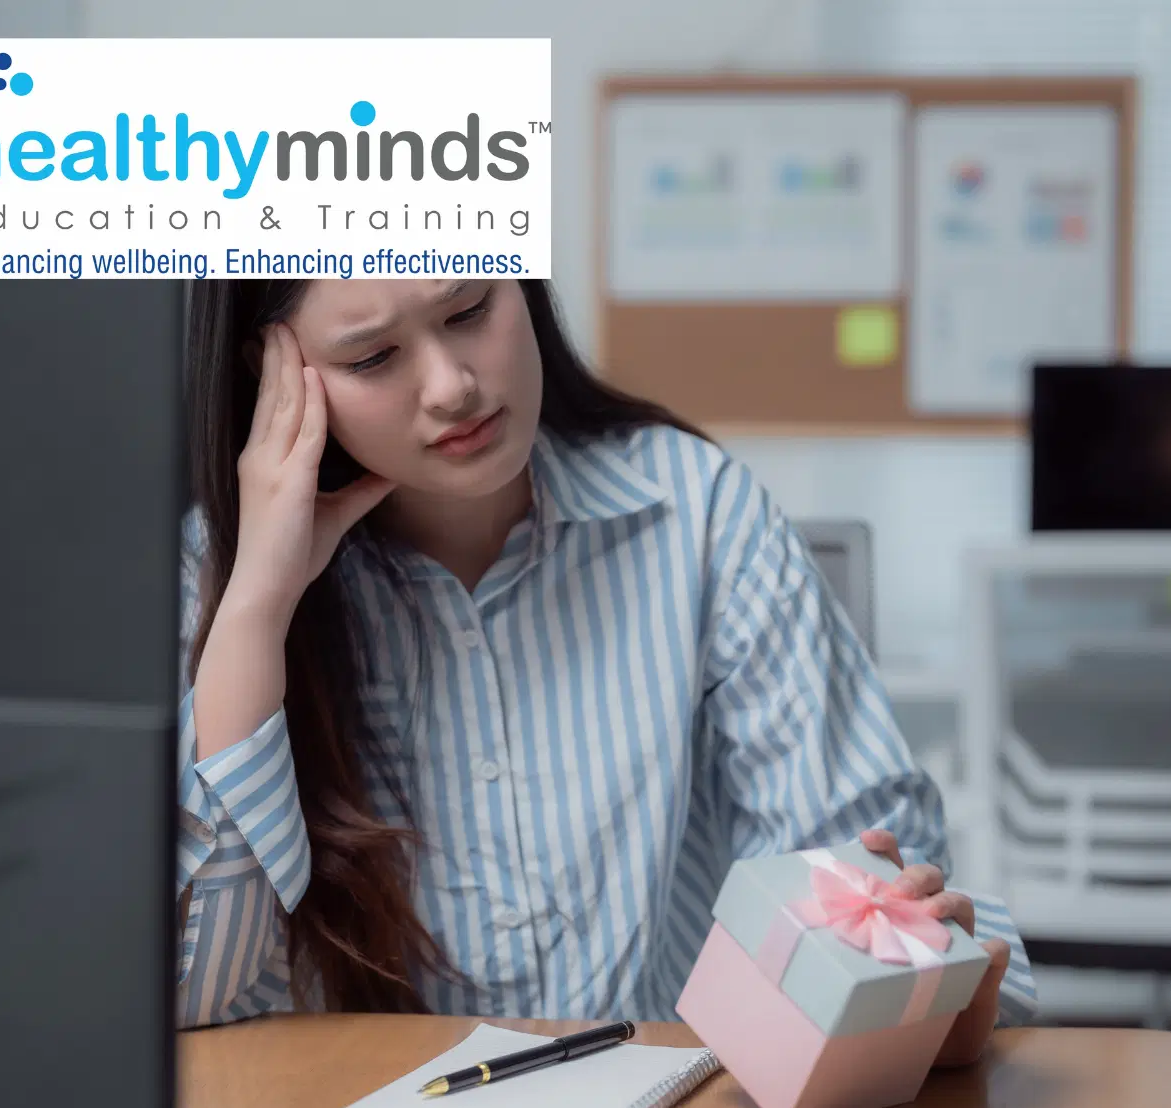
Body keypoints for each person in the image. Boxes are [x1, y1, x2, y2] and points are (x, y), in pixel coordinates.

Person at [176, 277, 1037, 1065]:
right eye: (371, 356)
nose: (451, 386)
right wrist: (257, 607)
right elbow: (191, 996)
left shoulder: (694, 511)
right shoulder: (215, 581)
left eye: (470, 310)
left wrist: (906, 951)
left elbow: (863, 883)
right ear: (275, 373)